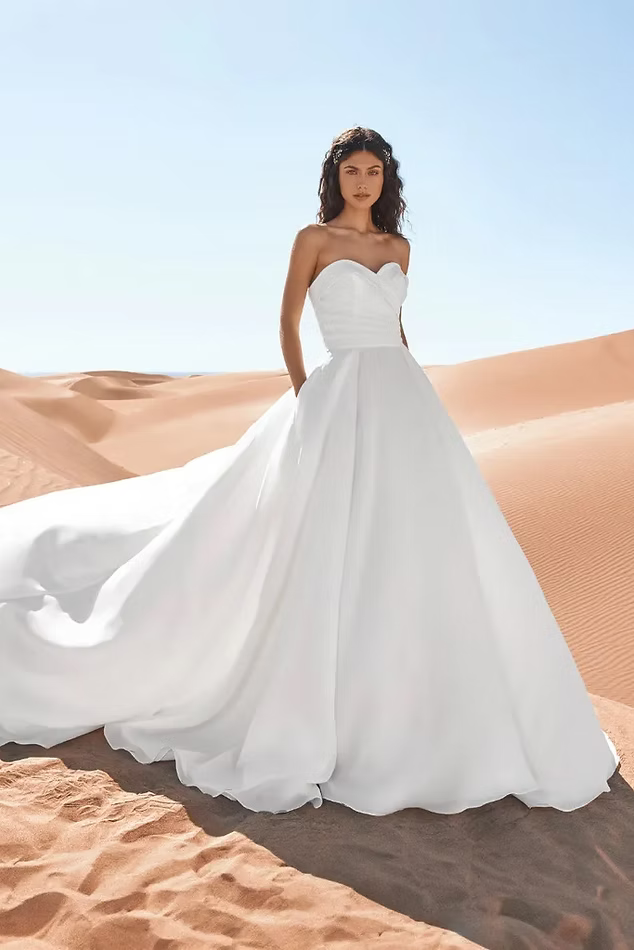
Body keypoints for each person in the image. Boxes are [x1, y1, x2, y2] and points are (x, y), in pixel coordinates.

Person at [0, 126, 620, 815]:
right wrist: (306, 394)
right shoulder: (313, 240)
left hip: (403, 397)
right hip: (337, 391)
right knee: (321, 533)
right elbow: (288, 323)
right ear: (336, 177)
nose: (363, 181)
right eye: (353, 170)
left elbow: (398, 327)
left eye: (374, 171)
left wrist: (414, 385)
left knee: (418, 536)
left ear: (386, 179)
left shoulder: (399, 248)